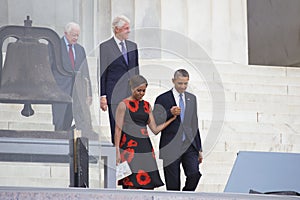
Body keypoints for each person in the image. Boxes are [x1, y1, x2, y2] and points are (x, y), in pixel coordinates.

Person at [115, 75, 177, 189]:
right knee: (132, 183)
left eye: (143, 91)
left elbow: (155, 129)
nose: (141, 93)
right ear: (132, 88)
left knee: (148, 183)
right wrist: (117, 151)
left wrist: (171, 119)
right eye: (138, 90)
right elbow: (118, 130)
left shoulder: (146, 105)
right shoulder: (123, 105)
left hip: (145, 148)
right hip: (129, 148)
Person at [153, 69, 203, 191]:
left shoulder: (192, 98)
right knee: (173, 185)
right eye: (180, 83)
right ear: (173, 81)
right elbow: (155, 120)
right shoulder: (162, 98)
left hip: (189, 146)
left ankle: (185, 196)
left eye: (185, 83)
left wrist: (199, 148)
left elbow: (194, 123)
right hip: (170, 146)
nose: (183, 86)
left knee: (194, 174)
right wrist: (169, 113)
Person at [99, 15, 139, 144]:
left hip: (130, 95)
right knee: (116, 128)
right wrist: (103, 95)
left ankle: (129, 157)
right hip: (114, 95)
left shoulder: (133, 46)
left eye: (129, 28)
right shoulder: (105, 47)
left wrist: (139, 91)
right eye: (126, 28)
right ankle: (117, 159)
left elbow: (136, 70)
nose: (129, 31)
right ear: (117, 29)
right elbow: (103, 72)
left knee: (131, 129)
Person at [51, 22, 93, 134]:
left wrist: (89, 93)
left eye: (77, 35)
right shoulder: (55, 47)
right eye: (73, 35)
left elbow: (85, 72)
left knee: (75, 122)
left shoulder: (80, 49)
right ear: (65, 33)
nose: (76, 38)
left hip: (77, 92)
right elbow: (50, 68)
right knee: (60, 122)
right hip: (60, 91)